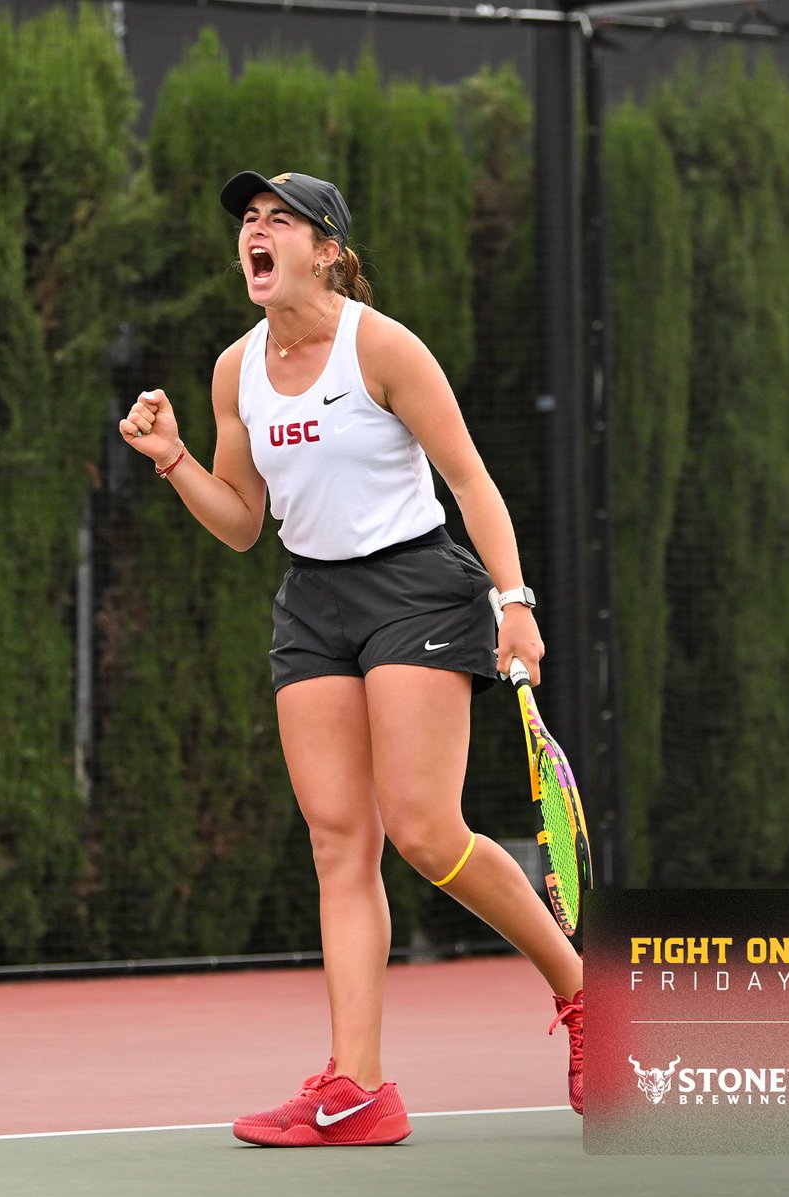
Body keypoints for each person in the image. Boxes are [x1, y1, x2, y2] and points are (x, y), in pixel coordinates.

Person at [119, 170, 584, 1147]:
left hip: (415, 584)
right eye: (248, 220)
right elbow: (244, 523)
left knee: (423, 830)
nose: (256, 230)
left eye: (277, 219)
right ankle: (359, 1087)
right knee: (340, 844)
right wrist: (172, 460)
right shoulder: (232, 371)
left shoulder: (383, 349)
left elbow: (471, 480)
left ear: (327, 250)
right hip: (314, 599)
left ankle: (585, 992)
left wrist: (516, 601)